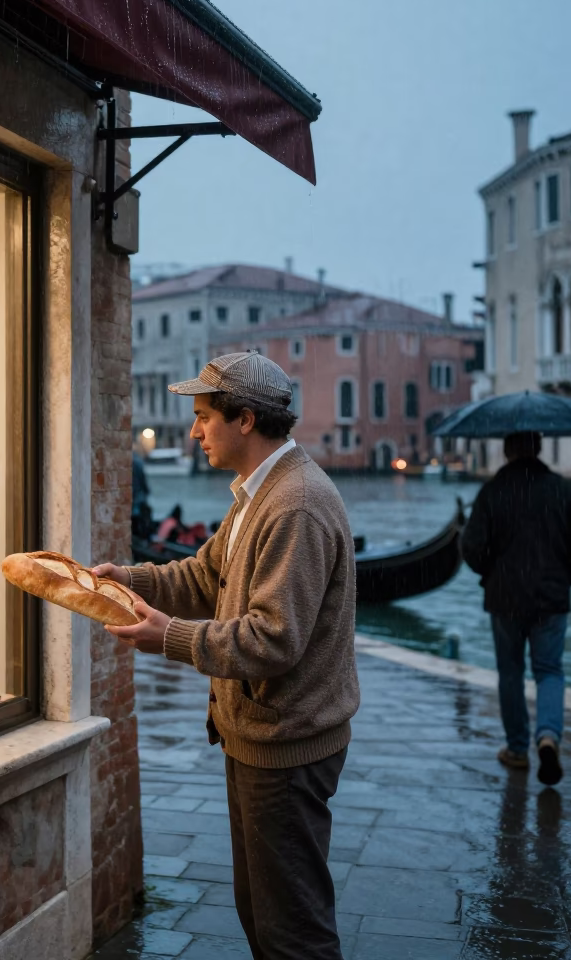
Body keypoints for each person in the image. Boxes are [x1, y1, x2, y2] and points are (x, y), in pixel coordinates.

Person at [95, 352, 359, 960]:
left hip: (286, 744)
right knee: (259, 914)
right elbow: (204, 575)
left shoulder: (293, 504)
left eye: (203, 416)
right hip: (258, 738)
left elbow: (274, 638)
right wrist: (124, 582)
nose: (193, 431)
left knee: (291, 930)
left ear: (245, 419)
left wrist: (173, 638)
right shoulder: (254, 496)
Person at [462, 430, 571, 785]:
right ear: (539, 448)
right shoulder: (562, 489)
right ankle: (548, 736)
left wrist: (491, 572)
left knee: (511, 672)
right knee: (549, 669)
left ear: (507, 451)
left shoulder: (493, 491)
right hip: (552, 596)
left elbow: (470, 546)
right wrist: (565, 575)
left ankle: (518, 749)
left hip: (504, 597)